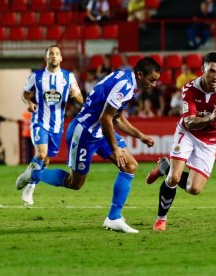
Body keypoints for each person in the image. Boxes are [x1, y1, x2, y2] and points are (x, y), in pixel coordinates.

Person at [16, 57, 162, 234]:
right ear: (140, 74)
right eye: (152, 80)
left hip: (99, 130)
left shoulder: (124, 78)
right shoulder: (125, 86)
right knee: (74, 183)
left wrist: (140, 136)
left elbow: (115, 117)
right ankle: (34, 173)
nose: (154, 84)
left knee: (130, 166)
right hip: (84, 132)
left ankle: (114, 218)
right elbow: (106, 118)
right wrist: (115, 149)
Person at [145, 52, 216, 231]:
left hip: (210, 141)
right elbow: (189, 121)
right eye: (212, 71)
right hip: (188, 133)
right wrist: (212, 118)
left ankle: (164, 167)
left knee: (193, 189)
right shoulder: (189, 89)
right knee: (174, 178)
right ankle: (161, 219)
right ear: (202, 69)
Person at [17, 45, 83, 205]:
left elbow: (81, 100)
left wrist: (76, 96)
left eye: (57, 54)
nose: (54, 56)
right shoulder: (37, 76)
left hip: (57, 125)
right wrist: (29, 102)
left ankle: (29, 186)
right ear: (46, 58)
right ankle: (26, 178)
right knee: (41, 154)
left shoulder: (68, 77)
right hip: (39, 121)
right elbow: (25, 93)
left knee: (46, 160)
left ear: (61, 58)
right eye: (51, 53)